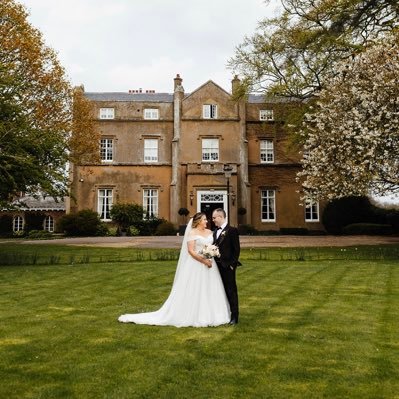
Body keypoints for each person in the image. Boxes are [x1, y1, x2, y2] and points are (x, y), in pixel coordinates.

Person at [118, 212, 230, 327]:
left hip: (210, 265)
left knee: (211, 289)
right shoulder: (192, 233)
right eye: (205, 219)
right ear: (198, 221)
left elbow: (215, 246)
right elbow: (191, 251)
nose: (207, 221)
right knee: (195, 289)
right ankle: (194, 314)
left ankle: (214, 314)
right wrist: (204, 260)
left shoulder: (210, 232)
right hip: (196, 264)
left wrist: (212, 254)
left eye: (207, 219)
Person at [212, 208, 241, 325]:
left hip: (227, 266)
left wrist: (232, 265)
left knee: (231, 291)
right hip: (215, 267)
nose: (213, 220)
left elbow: (236, 250)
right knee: (219, 291)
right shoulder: (214, 231)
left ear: (220, 217)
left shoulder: (232, 230)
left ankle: (235, 316)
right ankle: (223, 314)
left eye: (214, 218)